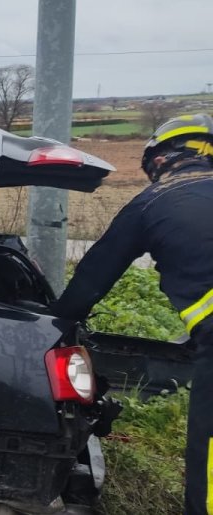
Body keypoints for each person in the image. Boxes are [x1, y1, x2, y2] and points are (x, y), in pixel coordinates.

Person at [53, 113, 213, 515]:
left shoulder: (153, 202)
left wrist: (49, 326)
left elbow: (90, 280)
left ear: (159, 158)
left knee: (208, 466)